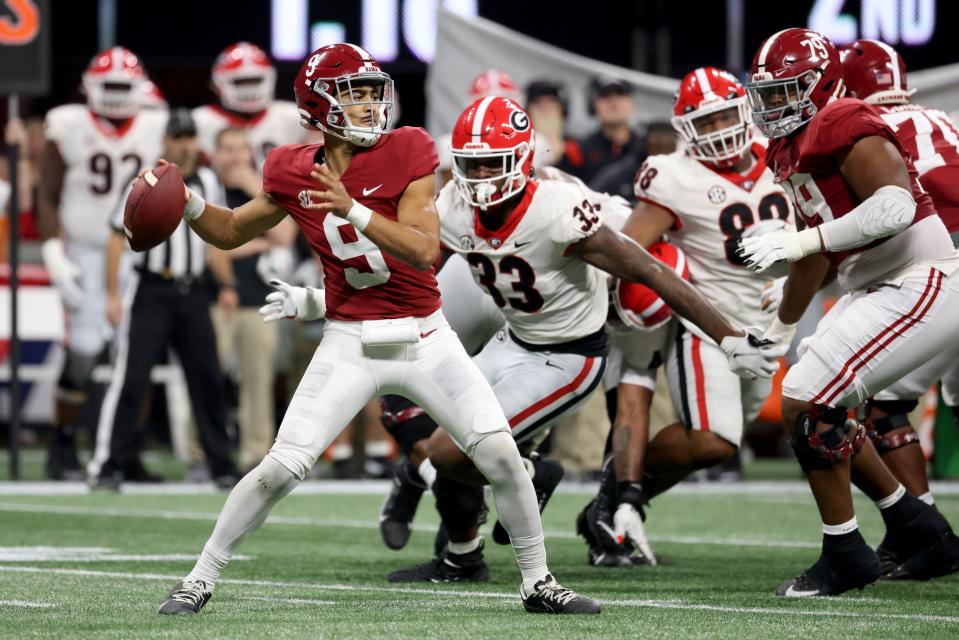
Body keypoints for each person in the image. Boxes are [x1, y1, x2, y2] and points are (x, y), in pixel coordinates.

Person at [155, 43, 601, 616]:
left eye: (372, 91)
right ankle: (199, 579)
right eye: (353, 93)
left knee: (501, 456)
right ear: (318, 105)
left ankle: (538, 581)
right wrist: (186, 202)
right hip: (350, 340)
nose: (369, 104)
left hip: (425, 335)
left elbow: (421, 249)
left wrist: (352, 209)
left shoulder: (407, 149)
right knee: (281, 468)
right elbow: (232, 229)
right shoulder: (292, 167)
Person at [269, 98, 788, 583]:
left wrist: (727, 337)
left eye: (492, 164)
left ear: (520, 160)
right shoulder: (453, 204)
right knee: (427, 426)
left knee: (451, 452)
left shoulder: (560, 210)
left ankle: (517, 483)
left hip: (567, 358)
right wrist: (319, 301)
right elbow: (401, 268)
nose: (479, 177)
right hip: (512, 340)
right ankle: (465, 553)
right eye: (470, 165)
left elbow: (652, 271)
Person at [739, 27, 959, 596]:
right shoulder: (792, 145)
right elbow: (818, 251)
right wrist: (779, 325)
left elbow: (893, 206)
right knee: (818, 398)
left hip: (920, 276)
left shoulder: (844, 117)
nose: (774, 106)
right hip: (875, 285)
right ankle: (916, 523)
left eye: (788, 91)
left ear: (823, 84)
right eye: (767, 94)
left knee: (808, 398)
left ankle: (846, 551)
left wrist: (801, 244)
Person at [578, 66, 795, 567]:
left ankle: (614, 503)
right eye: (707, 123)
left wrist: (795, 276)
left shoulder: (785, 152)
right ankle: (620, 490)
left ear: (745, 113)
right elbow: (632, 252)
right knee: (713, 443)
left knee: (726, 437)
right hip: (706, 323)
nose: (719, 132)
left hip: (773, 319)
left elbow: (816, 223)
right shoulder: (672, 175)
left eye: (725, 118)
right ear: (686, 130)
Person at [89, 109, 241, 489]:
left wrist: (226, 285)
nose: (186, 144)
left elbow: (217, 238)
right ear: (166, 142)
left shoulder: (208, 179)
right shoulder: (145, 180)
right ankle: (108, 465)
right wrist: (111, 294)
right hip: (151, 290)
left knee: (207, 378)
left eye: (190, 137)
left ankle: (221, 464)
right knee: (132, 377)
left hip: (193, 292)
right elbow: (114, 236)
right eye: (179, 137)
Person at [840, 39, 959, 526]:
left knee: (880, 399)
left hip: (941, 264)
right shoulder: (949, 119)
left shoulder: (864, 132)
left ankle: (925, 533)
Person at [37, 47, 166, 480]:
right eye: (107, 86)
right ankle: (63, 446)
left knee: (137, 355)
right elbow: (47, 193)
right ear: (89, 87)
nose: (114, 95)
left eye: (122, 86)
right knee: (84, 351)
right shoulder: (68, 124)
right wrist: (53, 249)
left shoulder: (155, 123)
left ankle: (125, 449)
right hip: (85, 251)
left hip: (137, 251)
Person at [208, 127, 297, 472]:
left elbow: (286, 235)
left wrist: (251, 187)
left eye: (239, 149)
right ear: (215, 154)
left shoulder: (260, 192)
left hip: (259, 298)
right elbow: (211, 248)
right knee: (205, 379)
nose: (233, 157)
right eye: (226, 149)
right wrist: (257, 245)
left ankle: (255, 454)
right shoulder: (208, 187)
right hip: (218, 297)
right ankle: (202, 454)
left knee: (258, 382)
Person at [193, 42, 307, 168]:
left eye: (255, 80)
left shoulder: (292, 117)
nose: (249, 88)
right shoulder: (198, 121)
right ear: (218, 83)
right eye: (240, 82)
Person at [577, 76, 643, 184]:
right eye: (605, 95)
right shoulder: (579, 151)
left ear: (631, 104)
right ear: (594, 105)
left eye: (620, 94)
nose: (613, 101)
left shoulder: (645, 148)